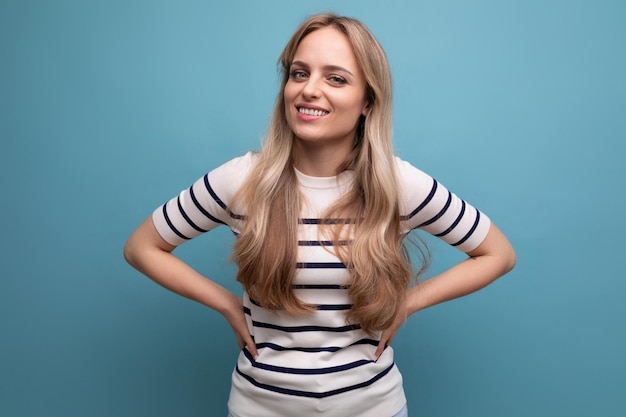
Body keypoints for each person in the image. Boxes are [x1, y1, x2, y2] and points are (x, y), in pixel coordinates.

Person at [124, 12, 516, 417]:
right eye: (299, 73)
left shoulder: (397, 185)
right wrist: (226, 304)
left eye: (336, 78)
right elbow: (141, 248)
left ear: (367, 101)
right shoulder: (242, 179)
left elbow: (499, 255)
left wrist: (408, 303)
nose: (309, 90)